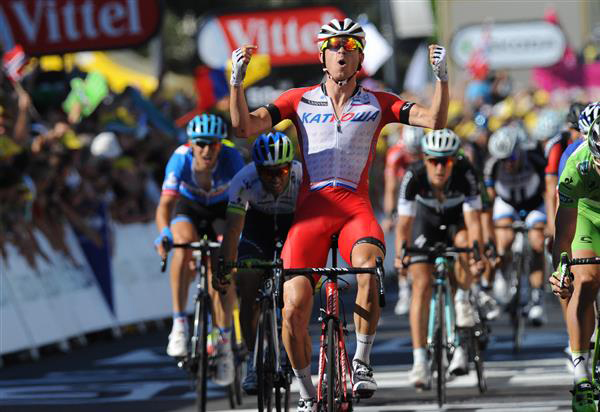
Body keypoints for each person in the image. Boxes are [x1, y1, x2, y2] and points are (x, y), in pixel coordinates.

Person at [229, 17, 450, 411]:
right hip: (312, 212)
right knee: (293, 307)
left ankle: (362, 362)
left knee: (368, 269)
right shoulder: (297, 99)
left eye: (350, 47)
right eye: (334, 46)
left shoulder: (378, 102)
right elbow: (245, 127)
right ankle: (304, 390)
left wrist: (442, 81)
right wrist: (236, 84)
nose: (342, 52)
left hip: (354, 209)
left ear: (361, 56)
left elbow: (434, 121)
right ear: (322, 55)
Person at [154, 113, 244, 386]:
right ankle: (179, 324)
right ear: (192, 144)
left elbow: (239, 211)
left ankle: (225, 344)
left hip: (221, 210)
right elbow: (164, 208)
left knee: (222, 274)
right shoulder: (180, 159)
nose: (207, 150)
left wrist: (233, 243)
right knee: (181, 248)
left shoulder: (232, 159)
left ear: (221, 144)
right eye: (201, 144)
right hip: (189, 208)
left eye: (213, 144)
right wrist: (165, 234)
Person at [394, 129, 484, 387]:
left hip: (456, 225)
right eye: (434, 160)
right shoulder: (414, 175)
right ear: (425, 159)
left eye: (445, 161)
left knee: (466, 244)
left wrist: (476, 255)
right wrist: (402, 255)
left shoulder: (466, 173)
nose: (439, 167)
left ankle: (463, 299)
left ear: (454, 161)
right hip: (426, 226)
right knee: (421, 284)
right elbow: (403, 225)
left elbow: (474, 222)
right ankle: (420, 361)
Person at [218, 131, 302, 395]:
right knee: (248, 280)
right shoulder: (243, 179)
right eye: (268, 173)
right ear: (257, 169)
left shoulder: (303, 177)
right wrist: (225, 266)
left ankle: (292, 345)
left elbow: (317, 223)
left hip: (294, 225)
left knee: (297, 288)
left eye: (282, 171)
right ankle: (253, 360)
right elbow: (232, 230)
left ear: (291, 166)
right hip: (257, 228)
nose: (276, 178)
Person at [548, 102, 600, 412]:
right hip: (586, 215)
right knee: (589, 278)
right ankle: (581, 370)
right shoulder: (576, 165)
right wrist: (561, 267)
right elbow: (563, 232)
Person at [484, 125, 548, 325]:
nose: (507, 164)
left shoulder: (536, 160)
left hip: (534, 203)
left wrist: (551, 225)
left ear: (519, 152)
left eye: (511, 159)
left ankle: (537, 299)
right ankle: (504, 276)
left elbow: (549, 192)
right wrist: (490, 234)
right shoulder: (492, 167)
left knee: (538, 244)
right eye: (503, 160)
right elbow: (489, 201)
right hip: (507, 203)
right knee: (503, 241)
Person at [381, 125, 423, 316]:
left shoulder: (425, 150)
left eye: (417, 153)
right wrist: (390, 215)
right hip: (402, 197)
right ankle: (404, 288)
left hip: (422, 196)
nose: (414, 157)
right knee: (402, 236)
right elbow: (390, 188)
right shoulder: (395, 154)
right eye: (411, 153)